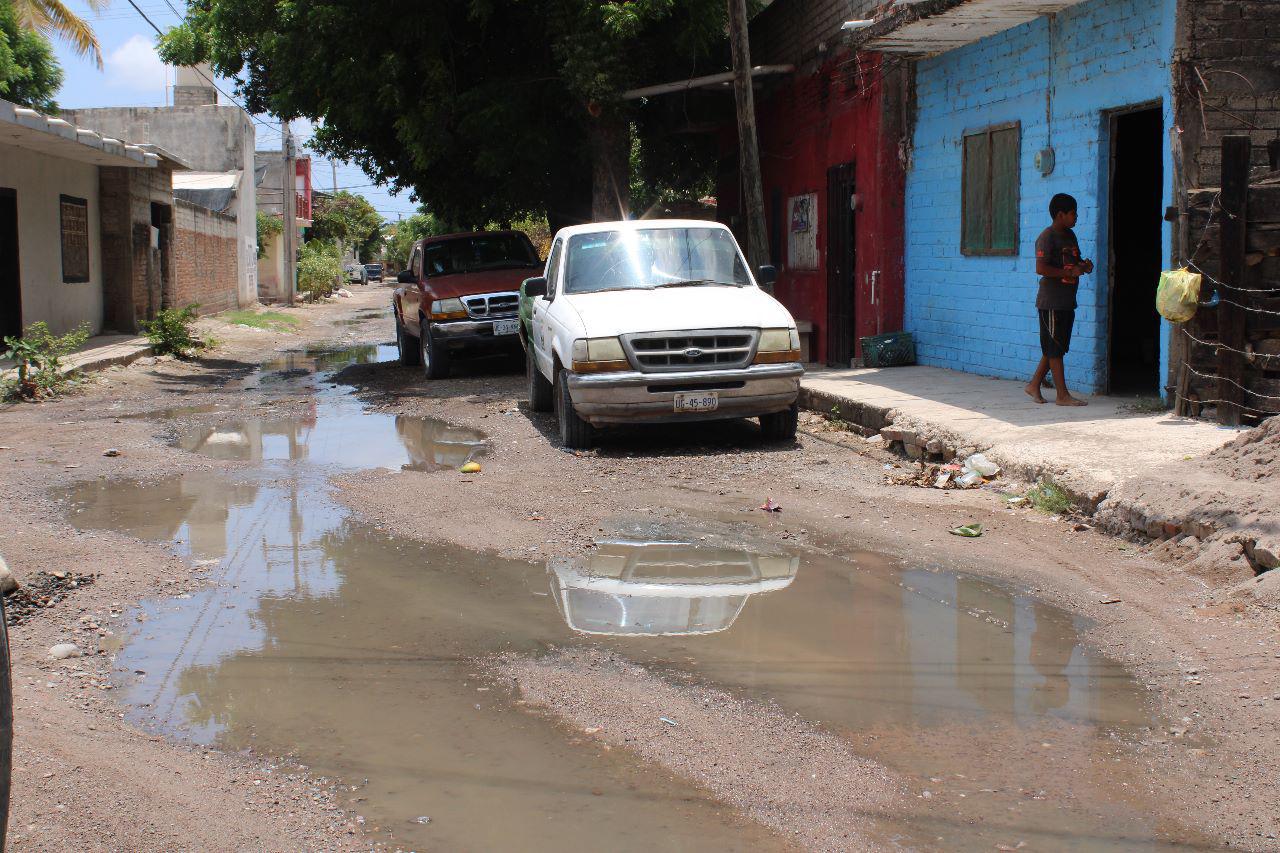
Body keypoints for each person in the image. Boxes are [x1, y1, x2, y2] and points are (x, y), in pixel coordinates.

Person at [1025, 193, 1093, 406]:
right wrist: (1069, 273)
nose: (1076, 217)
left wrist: (1084, 266)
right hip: (1051, 301)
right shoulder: (1047, 237)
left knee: (1057, 346)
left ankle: (1034, 385)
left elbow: (1074, 262)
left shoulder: (1070, 235)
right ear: (1060, 215)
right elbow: (1041, 268)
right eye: (1073, 213)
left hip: (1067, 300)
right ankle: (1062, 395)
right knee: (1054, 348)